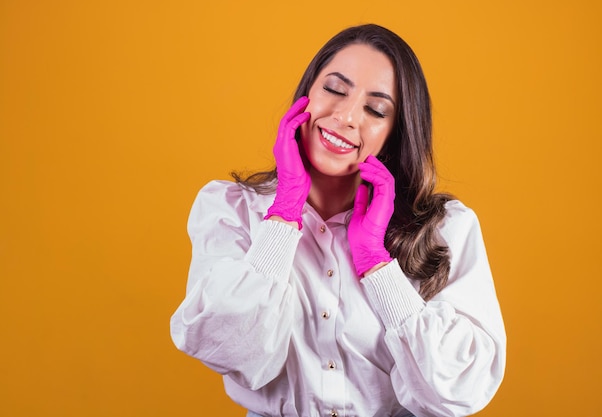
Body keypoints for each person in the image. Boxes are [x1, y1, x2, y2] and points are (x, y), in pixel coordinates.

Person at [170, 23, 506, 417]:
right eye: (334, 89)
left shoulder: (447, 229)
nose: (346, 116)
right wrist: (284, 213)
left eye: (376, 109)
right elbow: (232, 352)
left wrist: (376, 264)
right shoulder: (231, 209)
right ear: (306, 94)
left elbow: (459, 391)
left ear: (394, 134)